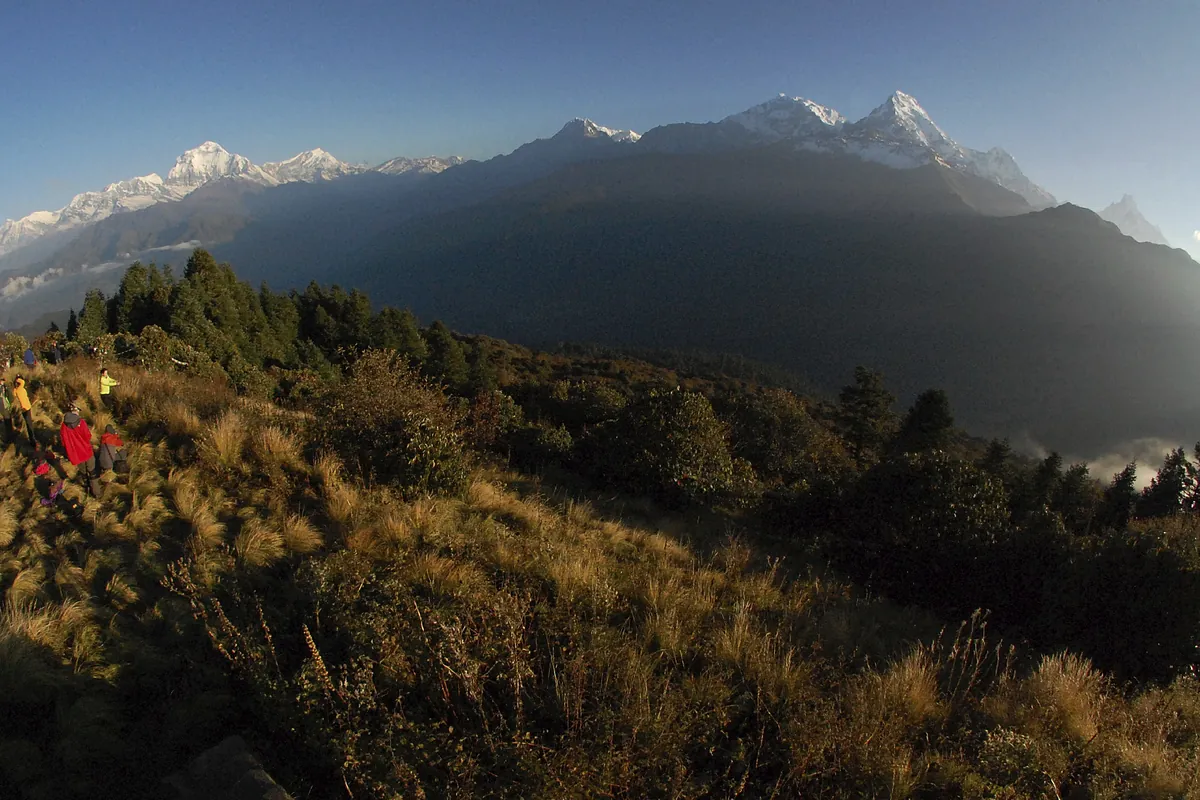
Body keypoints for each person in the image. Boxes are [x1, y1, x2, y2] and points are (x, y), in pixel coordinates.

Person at [60, 405, 100, 498]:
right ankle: (97, 493)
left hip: (76, 455)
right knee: (92, 472)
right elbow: (88, 436)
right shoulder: (81, 422)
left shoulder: (64, 426)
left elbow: (63, 442)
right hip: (86, 451)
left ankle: (87, 488)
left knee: (83, 472)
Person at [12, 375, 36, 446]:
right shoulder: (19, 389)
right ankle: (33, 442)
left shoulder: (17, 390)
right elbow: (23, 382)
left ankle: (33, 440)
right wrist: (17, 378)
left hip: (25, 408)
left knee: (29, 424)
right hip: (26, 408)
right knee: (29, 425)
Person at [0, 375, 12, 445]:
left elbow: (9, 397)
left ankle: (10, 437)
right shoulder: (2, 388)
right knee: (7, 422)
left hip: (5, 406)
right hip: (4, 406)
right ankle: (10, 437)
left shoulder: (4, 387)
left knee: (8, 422)